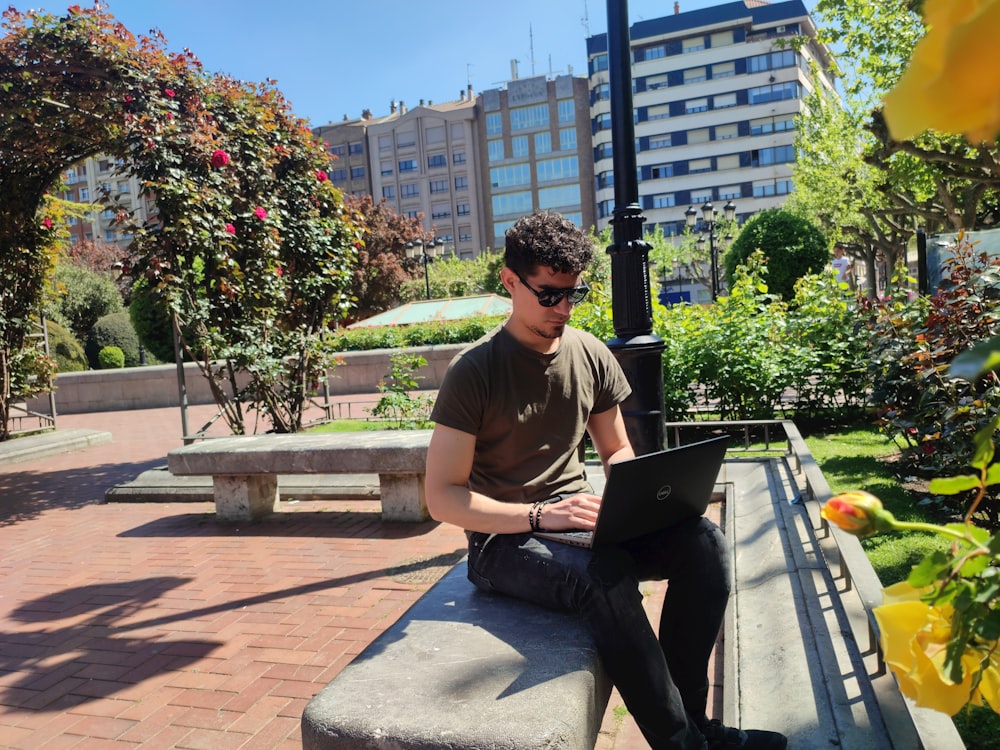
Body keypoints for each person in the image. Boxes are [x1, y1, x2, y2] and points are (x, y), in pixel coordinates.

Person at [425, 211, 787, 750]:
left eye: (574, 294)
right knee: (605, 575)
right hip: (502, 542)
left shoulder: (589, 352)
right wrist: (538, 515)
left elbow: (616, 449)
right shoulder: (474, 371)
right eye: (549, 295)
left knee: (703, 542)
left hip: (583, 521)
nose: (564, 309)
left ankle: (695, 723)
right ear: (509, 282)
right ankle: (683, 745)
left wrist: (639, 502)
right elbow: (442, 497)